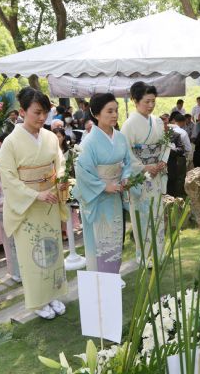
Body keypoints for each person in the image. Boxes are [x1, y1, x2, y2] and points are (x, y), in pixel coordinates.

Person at [0, 87, 68, 320]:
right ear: (22, 111)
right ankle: (38, 301)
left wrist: (59, 181)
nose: (42, 118)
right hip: (28, 206)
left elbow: (60, 163)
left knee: (52, 250)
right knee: (33, 254)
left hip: (49, 201)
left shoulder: (49, 137)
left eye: (45, 113)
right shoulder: (10, 143)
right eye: (37, 112)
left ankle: (53, 293)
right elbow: (7, 177)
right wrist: (35, 195)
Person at [73, 93, 131, 274]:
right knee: (100, 240)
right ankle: (101, 279)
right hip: (97, 199)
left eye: (116, 111)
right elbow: (82, 172)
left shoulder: (121, 137)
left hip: (115, 196)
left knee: (115, 238)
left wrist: (126, 177)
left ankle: (113, 274)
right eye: (110, 111)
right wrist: (105, 186)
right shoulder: (89, 142)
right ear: (96, 114)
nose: (114, 115)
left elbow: (128, 162)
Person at [121, 82, 168, 267]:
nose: (150, 105)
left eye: (153, 101)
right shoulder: (129, 125)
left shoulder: (157, 121)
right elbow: (126, 153)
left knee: (157, 213)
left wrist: (162, 161)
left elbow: (165, 145)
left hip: (156, 174)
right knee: (142, 215)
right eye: (146, 101)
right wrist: (144, 168)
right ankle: (145, 255)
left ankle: (159, 252)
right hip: (141, 176)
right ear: (135, 100)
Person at [0, 145, 21, 283]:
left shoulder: (13, 171)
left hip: (17, 212)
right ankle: (14, 272)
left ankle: (24, 270)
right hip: (4, 214)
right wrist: (7, 201)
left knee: (19, 243)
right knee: (9, 244)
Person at [166, 112, 191, 198]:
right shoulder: (183, 132)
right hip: (180, 157)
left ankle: (169, 195)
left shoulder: (168, 130)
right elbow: (188, 148)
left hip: (167, 158)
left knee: (169, 177)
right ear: (182, 122)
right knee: (179, 177)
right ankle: (177, 196)